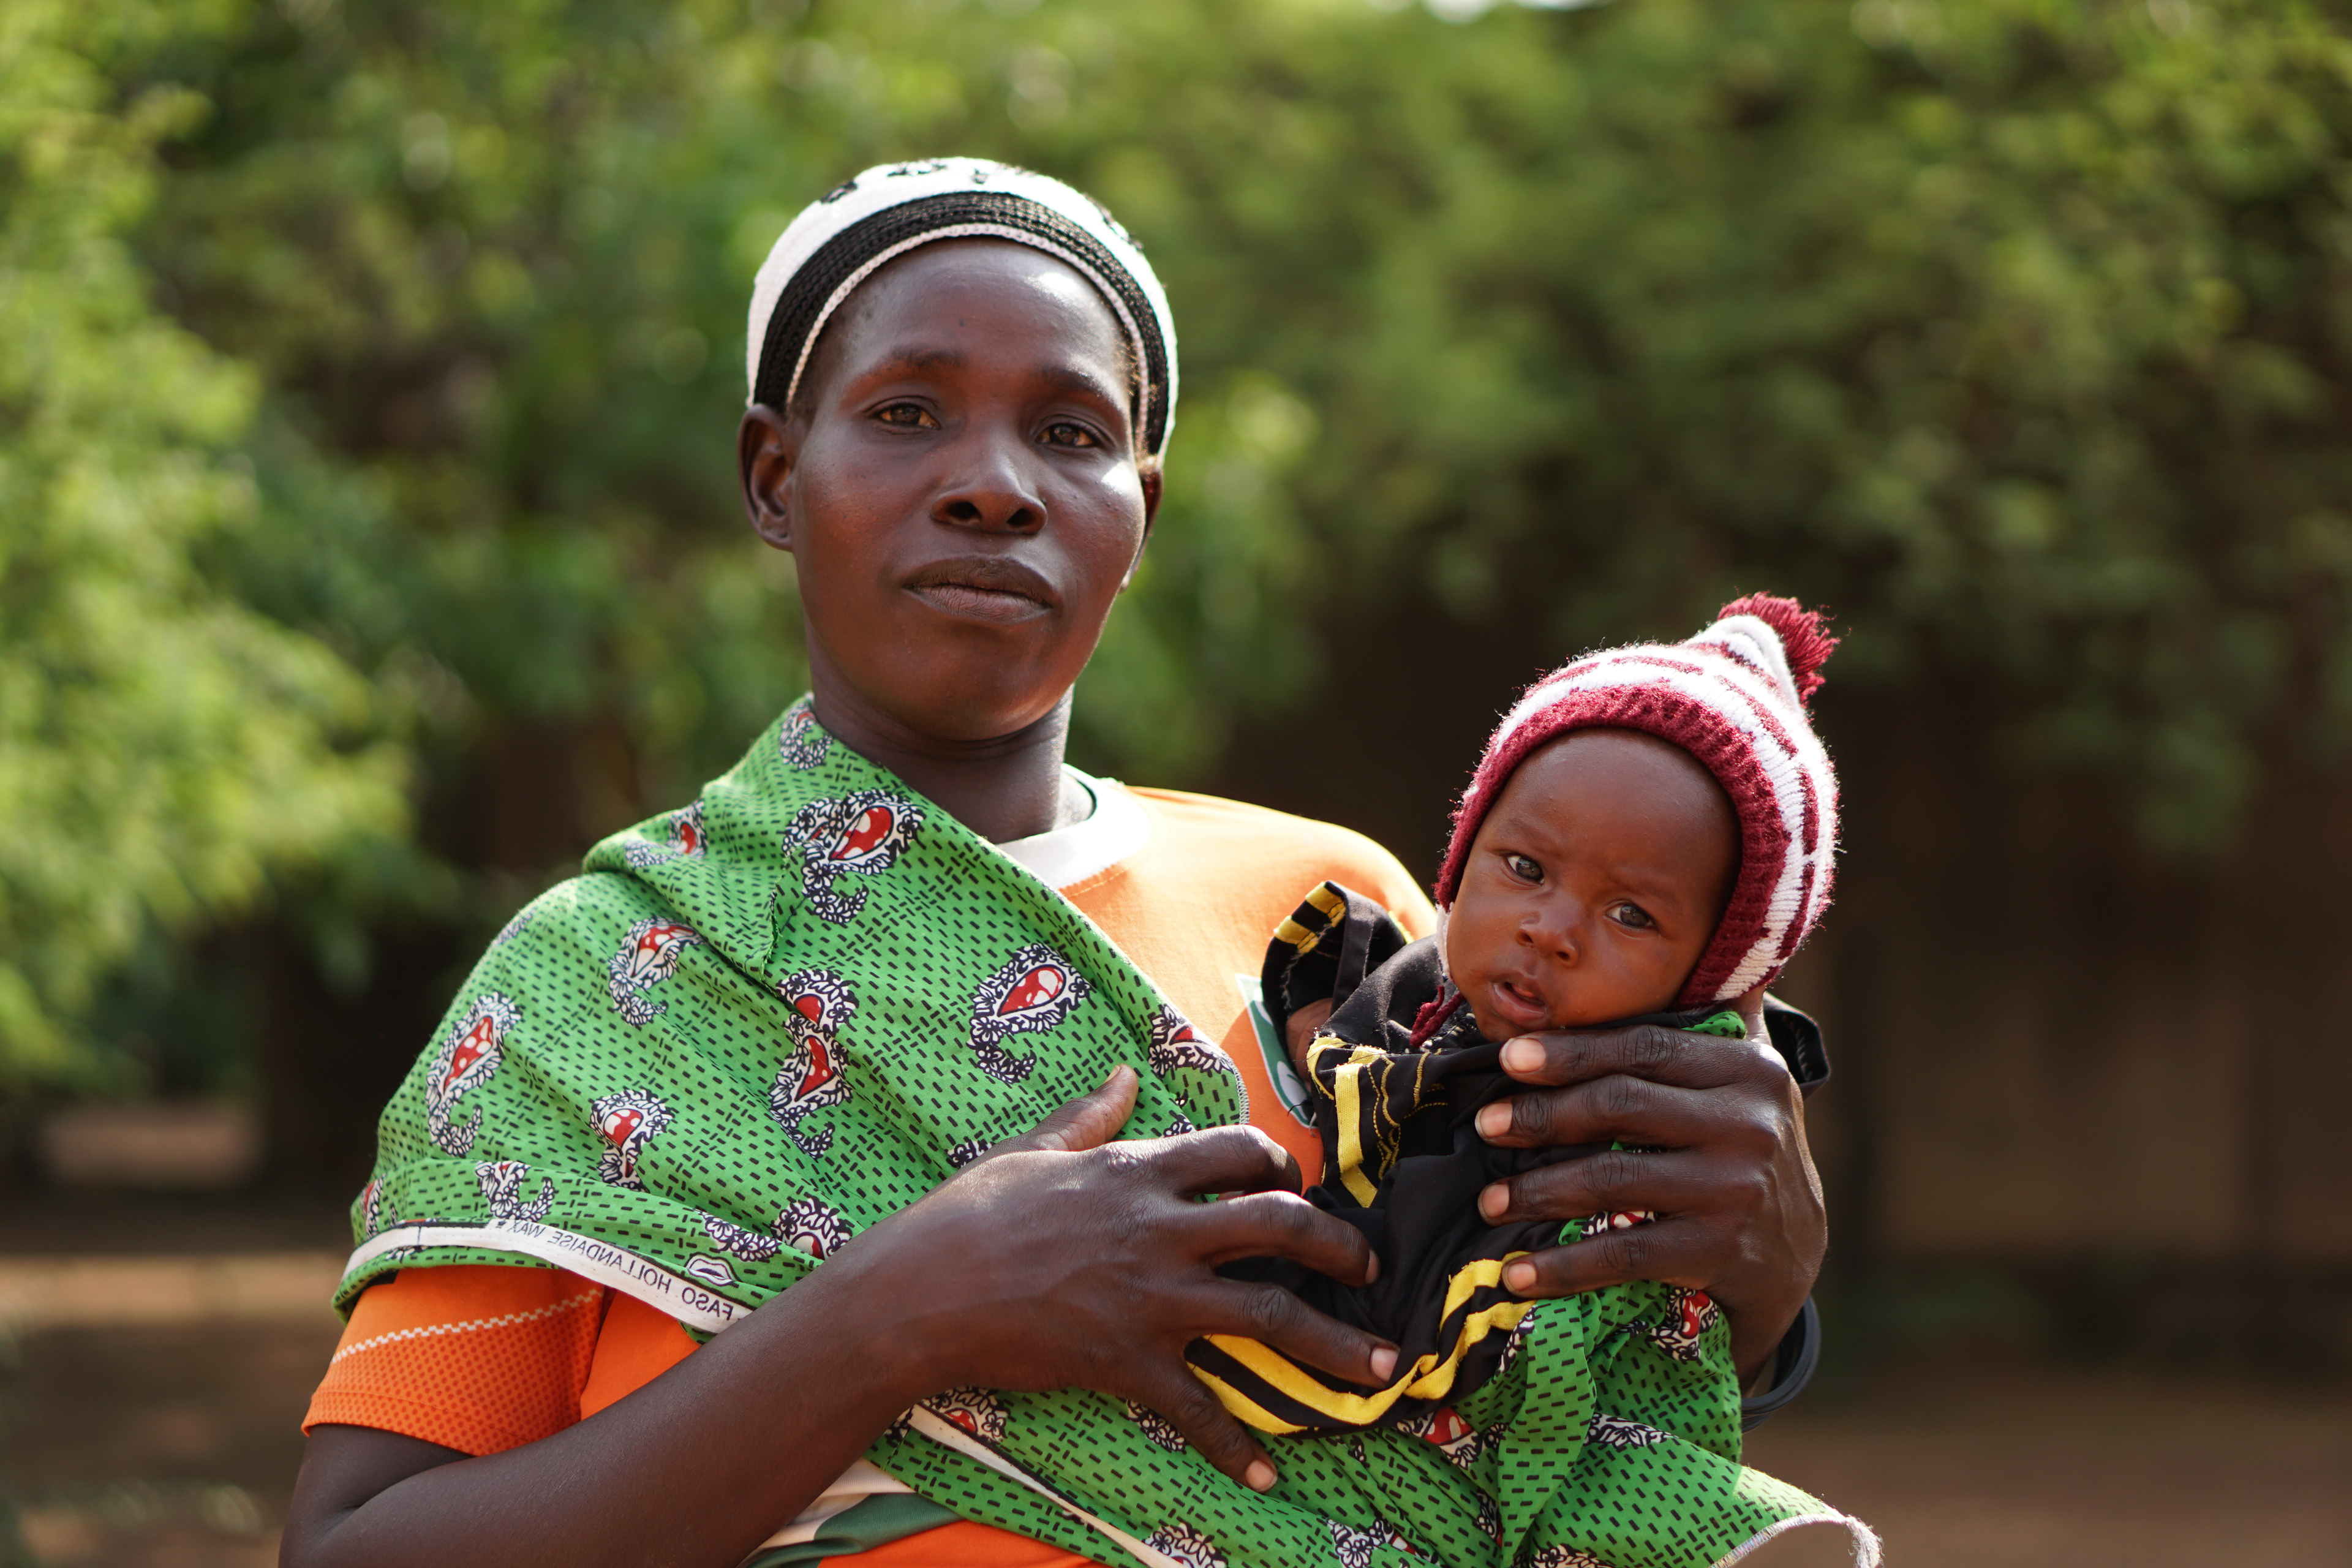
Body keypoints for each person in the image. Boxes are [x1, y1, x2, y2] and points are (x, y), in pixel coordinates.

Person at [280, 160, 1837, 1568]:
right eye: (905, 412)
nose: (995, 483)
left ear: (1137, 512)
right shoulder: (601, 978)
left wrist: (1760, 1283)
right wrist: (893, 1315)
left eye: (1073, 433)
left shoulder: (1352, 917)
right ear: (773, 475)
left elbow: (1527, 1396)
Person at [1186, 603, 1877, 1565]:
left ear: (1712, 977)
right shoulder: (1426, 985)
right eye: (1524, 866)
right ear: (1461, 865)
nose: (1553, 927)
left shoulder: (1655, 1118)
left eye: (1633, 914)